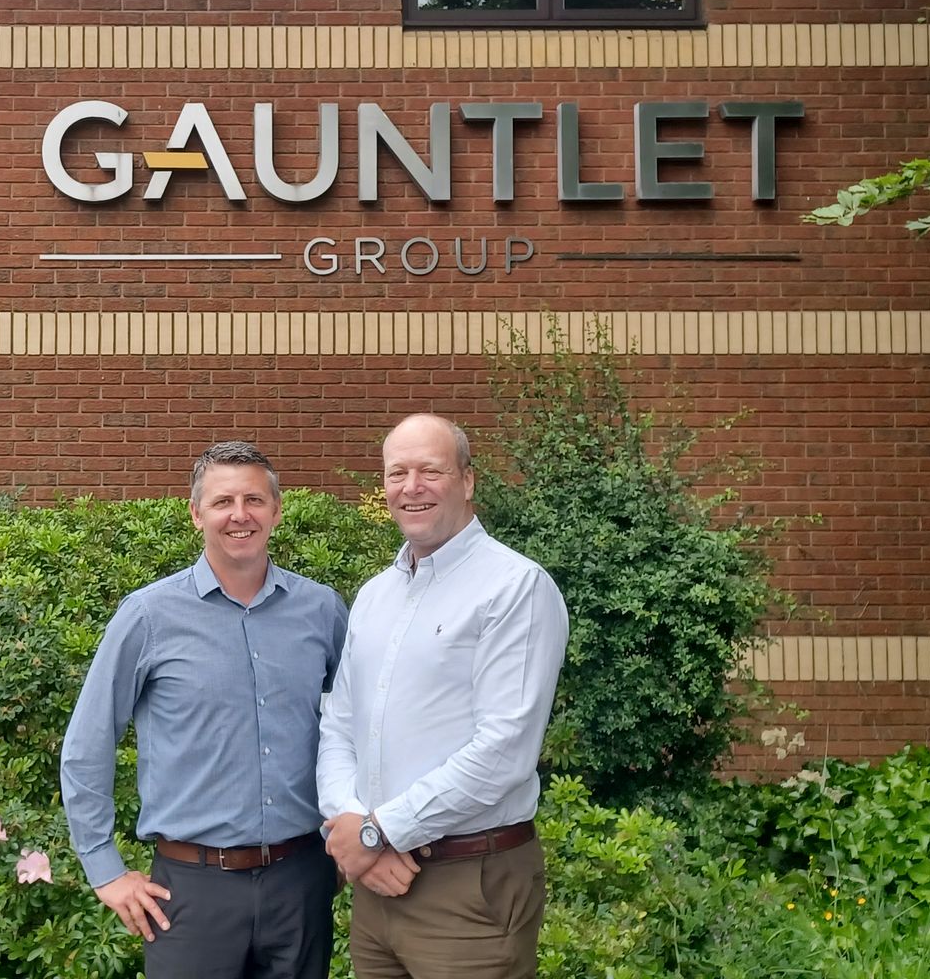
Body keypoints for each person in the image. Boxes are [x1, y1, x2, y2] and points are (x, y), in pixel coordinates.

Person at [60, 441, 349, 979]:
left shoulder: (322, 610)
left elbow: (358, 727)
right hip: (191, 891)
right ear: (196, 514)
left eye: (254, 500)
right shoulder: (147, 616)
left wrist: (352, 831)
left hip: (302, 880)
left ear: (277, 511)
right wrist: (105, 870)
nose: (240, 515)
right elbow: (88, 743)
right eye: (222, 502)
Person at [318, 414, 569, 979]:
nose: (411, 487)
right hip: (377, 888)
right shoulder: (375, 595)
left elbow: (503, 751)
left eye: (430, 470)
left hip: (468, 890)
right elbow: (339, 725)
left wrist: (375, 833)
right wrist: (350, 824)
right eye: (396, 473)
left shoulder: (514, 587)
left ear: (468, 481)